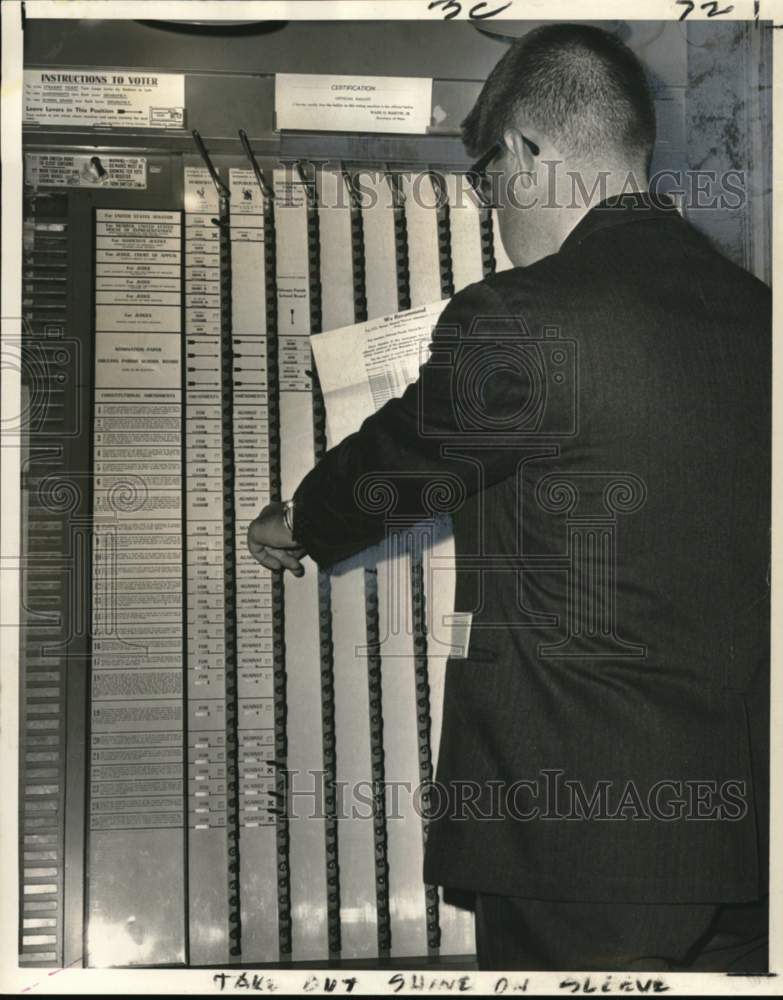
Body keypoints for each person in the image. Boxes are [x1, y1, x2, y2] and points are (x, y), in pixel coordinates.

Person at [247, 23, 770, 972]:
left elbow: (398, 461)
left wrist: (290, 520)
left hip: (578, 844)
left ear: (527, 153)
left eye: (487, 182)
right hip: (746, 848)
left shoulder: (524, 315)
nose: (494, 212)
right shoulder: (757, 314)